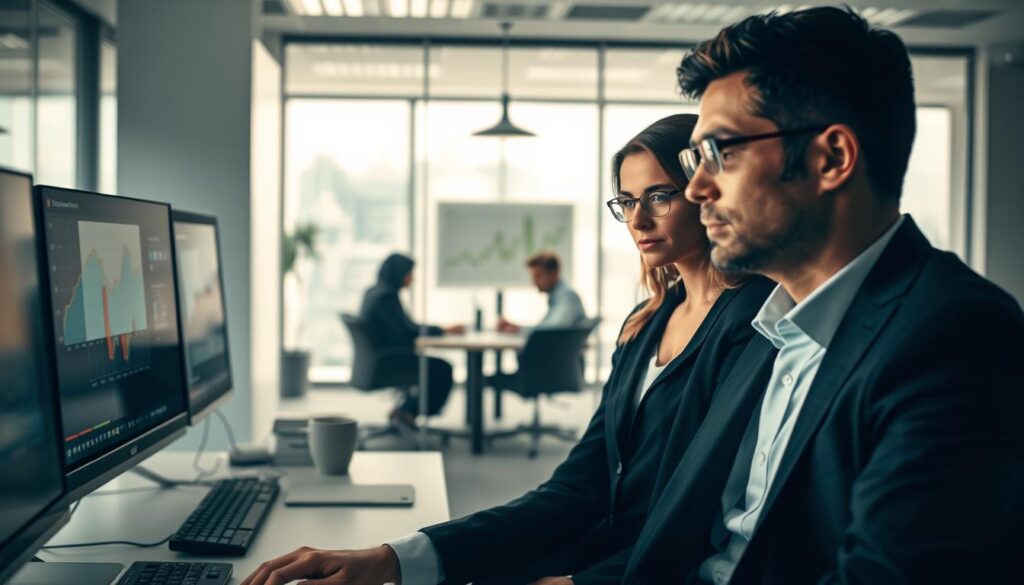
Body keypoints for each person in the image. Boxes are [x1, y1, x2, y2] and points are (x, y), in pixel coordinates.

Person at [240, 115, 775, 585]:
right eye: (628, 202)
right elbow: (579, 488)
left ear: (707, 190)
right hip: (595, 550)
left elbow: (702, 520)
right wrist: (394, 558)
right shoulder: (645, 325)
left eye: (659, 196)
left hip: (638, 570)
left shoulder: (754, 323)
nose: (637, 221)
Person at [616, 7, 1024, 584]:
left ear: (831, 158)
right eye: (694, 160)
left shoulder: (956, 335)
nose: (698, 188)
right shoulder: (769, 326)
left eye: (719, 155)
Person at [359, 253, 464, 425]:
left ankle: (405, 410)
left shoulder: (375, 292)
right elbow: (408, 331)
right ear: (399, 273)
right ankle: (410, 411)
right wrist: (443, 330)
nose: (412, 278)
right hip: (390, 361)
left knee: (436, 367)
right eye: (410, 273)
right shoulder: (385, 297)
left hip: (378, 360)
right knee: (442, 369)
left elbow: (404, 328)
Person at [497, 252, 585, 333]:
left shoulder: (567, 297)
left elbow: (552, 330)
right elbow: (545, 327)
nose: (534, 282)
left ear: (554, 274)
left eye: (538, 276)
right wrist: (516, 327)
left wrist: (518, 329)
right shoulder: (557, 297)